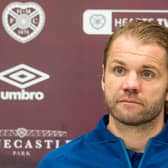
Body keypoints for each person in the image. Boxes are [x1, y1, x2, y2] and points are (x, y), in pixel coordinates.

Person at [38, 20, 168, 168]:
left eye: (147, 74)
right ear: (103, 78)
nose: (131, 85)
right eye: (119, 70)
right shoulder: (59, 163)